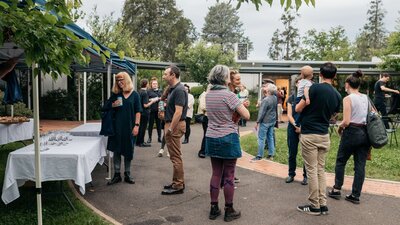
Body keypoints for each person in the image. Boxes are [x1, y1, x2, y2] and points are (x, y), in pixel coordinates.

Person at [295, 62, 341, 215]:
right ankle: (323, 204)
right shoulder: (337, 94)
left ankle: (314, 206)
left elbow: (298, 108)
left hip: (310, 134)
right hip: (324, 135)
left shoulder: (313, 88)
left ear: (320, 74)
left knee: (312, 170)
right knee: (320, 169)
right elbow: (334, 116)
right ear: (334, 76)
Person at [205, 65, 250, 222]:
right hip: (228, 137)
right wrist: (240, 107)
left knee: (216, 173)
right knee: (229, 174)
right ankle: (229, 209)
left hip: (211, 136)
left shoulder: (208, 95)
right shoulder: (229, 95)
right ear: (225, 78)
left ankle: (213, 208)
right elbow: (247, 115)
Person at [328, 70, 370, 205]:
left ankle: (336, 189)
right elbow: (372, 114)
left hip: (351, 132)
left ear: (347, 84)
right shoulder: (366, 97)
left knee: (341, 161)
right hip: (365, 133)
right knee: (360, 165)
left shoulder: (348, 98)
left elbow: (346, 121)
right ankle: (355, 195)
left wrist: (339, 128)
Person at [104, 72, 142, 185]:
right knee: (116, 151)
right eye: (117, 81)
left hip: (130, 127)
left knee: (128, 150)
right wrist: (114, 104)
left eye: (121, 80)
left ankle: (127, 174)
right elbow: (105, 107)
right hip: (116, 128)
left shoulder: (135, 95)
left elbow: (138, 111)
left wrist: (137, 125)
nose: (119, 82)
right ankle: (116, 174)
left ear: (127, 80)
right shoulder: (116, 95)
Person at [161, 65, 188, 195]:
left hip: (175, 126)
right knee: (174, 156)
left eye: (165, 74)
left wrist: (171, 128)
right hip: (172, 124)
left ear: (173, 75)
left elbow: (179, 112)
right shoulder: (173, 89)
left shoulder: (179, 90)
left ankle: (178, 185)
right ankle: (177, 181)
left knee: (175, 157)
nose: (163, 76)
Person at [285, 76, 307, 185]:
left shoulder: (307, 99)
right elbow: (289, 115)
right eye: (299, 82)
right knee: (292, 152)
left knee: (306, 153)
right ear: (297, 84)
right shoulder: (291, 98)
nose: (301, 84)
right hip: (292, 127)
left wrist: (301, 127)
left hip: (304, 128)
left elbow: (308, 115)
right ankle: (291, 174)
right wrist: (296, 125)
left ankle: (306, 176)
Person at [252, 83, 277, 161]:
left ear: (268, 90)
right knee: (270, 137)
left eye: (266, 88)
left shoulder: (266, 100)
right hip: (272, 120)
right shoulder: (275, 98)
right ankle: (271, 154)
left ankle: (259, 156)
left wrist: (257, 122)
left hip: (265, 122)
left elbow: (261, 112)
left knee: (261, 138)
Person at [136, 79, 157, 147]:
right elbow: (145, 105)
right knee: (143, 128)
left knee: (140, 127)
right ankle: (141, 142)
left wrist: (149, 100)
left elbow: (141, 101)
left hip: (140, 112)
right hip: (145, 113)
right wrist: (152, 101)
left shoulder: (139, 92)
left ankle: (138, 142)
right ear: (147, 84)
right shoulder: (145, 93)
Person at [147, 77, 162, 143]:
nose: (155, 85)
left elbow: (163, 98)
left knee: (159, 125)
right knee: (150, 125)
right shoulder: (148, 91)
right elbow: (146, 100)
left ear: (157, 84)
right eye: (153, 84)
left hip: (159, 111)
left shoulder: (161, 91)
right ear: (151, 84)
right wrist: (153, 99)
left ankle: (159, 138)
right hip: (151, 110)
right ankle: (149, 138)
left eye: (156, 83)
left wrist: (157, 98)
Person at [157, 86, 170, 158]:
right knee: (166, 133)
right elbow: (160, 107)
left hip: (172, 118)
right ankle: (162, 149)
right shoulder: (163, 99)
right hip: (165, 118)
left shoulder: (173, 97)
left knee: (168, 134)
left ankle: (165, 150)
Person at [197, 86, 209, 158]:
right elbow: (202, 106)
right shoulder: (204, 95)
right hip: (206, 117)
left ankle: (208, 151)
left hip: (212, 117)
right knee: (206, 134)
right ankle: (202, 151)